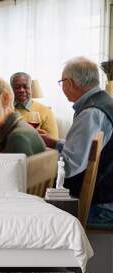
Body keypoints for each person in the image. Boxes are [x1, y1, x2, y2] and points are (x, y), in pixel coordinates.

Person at [38, 57, 113, 225]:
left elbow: (70, 166)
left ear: (69, 83)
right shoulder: (103, 102)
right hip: (106, 198)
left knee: (36, 209)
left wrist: (38, 156)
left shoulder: (91, 113)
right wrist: (54, 143)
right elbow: (85, 152)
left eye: (61, 82)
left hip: (101, 206)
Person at [10, 72, 59, 139]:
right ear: (11, 89)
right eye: (17, 87)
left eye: (25, 87)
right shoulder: (3, 110)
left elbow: (53, 140)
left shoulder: (46, 111)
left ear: (30, 88)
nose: (21, 90)